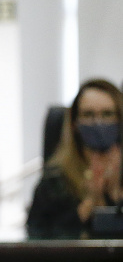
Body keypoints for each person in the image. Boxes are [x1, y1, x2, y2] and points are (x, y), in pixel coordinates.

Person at [27, 79, 123, 238]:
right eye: (88, 114)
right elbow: (37, 237)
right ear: (74, 123)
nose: (98, 123)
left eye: (107, 114)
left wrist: (115, 197)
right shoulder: (55, 179)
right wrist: (89, 204)